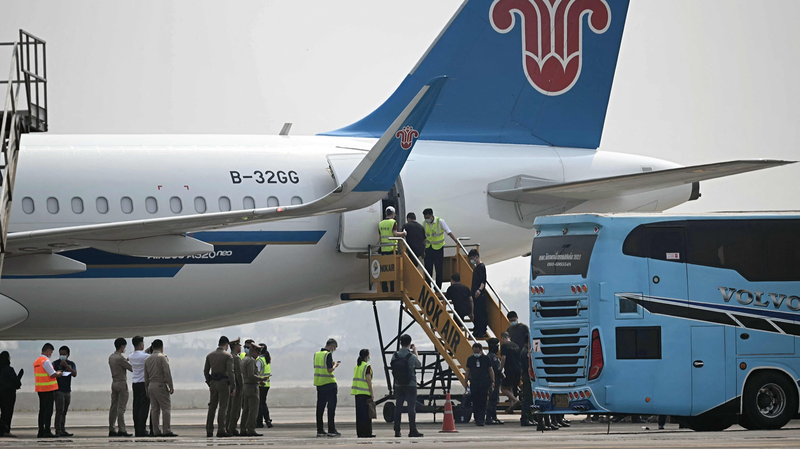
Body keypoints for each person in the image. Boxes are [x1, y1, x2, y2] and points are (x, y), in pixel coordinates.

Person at [391, 334, 423, 438]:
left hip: (398, 384)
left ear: (400, 343)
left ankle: (397, 431)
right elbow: (419, 364)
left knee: (398, 407)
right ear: (410, 343)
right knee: (411, 408)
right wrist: (415, 352)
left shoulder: (395, 355)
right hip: (411, 385)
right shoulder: (411, 356)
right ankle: (412, 430)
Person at [144, 339, 177, 437]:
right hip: (160, 385)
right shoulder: (162, 358)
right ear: (161, 347)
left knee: (155, 409)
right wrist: (171, 386)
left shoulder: (147, 359)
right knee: (166, 408)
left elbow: (146, 375)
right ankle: (166, 430)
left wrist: (146, 388)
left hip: (151, 385)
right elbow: (167, 372)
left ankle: (156, 431)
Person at [204, 336, 234, 438]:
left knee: (212, 406)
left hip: (213, 383)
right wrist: (233, 386)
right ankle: (221, 429)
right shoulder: (228, 356)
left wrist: (209, 382)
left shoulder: (210, 355)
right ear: (226, 345)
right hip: (224, 383)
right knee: (223, 407)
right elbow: (231, 372)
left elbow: (205, 371)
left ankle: (209, 430)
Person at [422, 208, 458, 288]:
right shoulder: (424, 223)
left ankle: (438, 287)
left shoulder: (440, 221)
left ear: (432, 215)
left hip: (438, 248)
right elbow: (423, 237)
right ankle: (428, 286)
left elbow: (448, 231)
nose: (426, 219)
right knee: (428, 268)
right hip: (428, 248)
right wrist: (423, 250)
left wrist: (456, 240)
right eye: (425, 218)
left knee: (438, 268)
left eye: (428, 217)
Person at [34, 343, 63, 438]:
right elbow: (52, 374)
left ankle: (41, 431)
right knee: (48, 411)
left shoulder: (37, 361)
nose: (51, 354)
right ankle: (47, 430)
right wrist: (59, 373)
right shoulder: (45, 361)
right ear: (48, 351)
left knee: (42, 411)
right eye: (51, 352)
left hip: (40, 389)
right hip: (48, 389)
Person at [314, 338, 340, 437]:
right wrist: (335, 366)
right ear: (331, 346)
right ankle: (331, 429)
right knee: (331, 408)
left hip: (320, 384)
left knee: (320, 408)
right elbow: (329, 370)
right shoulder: (328, 354)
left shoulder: (316, 354)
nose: (334, 350)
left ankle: (320, 430)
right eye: (334, 348)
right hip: (329, 384)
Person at [108, 337, 132, 437]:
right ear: (122, 347)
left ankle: (112, 428)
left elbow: (122, 362)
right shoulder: (120, 358)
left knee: (113, 407)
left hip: (114, 383)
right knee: (121, 408)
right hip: (122, 383)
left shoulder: (111, 357)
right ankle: (122, 429)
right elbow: (131, 368)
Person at [466, 343, 494, 426]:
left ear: (481, 350)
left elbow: (490, 370)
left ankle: (481, 419)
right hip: (474, 382)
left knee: (483, 401)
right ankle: (477, 418)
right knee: (475, 401)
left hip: (484, 382)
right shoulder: (470, 359)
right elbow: (468, 370)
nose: (476, 353)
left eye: (477, 352)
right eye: (474, 352)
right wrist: (466, 381)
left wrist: (493, 381)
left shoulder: (486, 358)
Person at [240, 345, 265, 437]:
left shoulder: (244, 359)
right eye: (257, 353)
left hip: (246, 386)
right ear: (253, 351)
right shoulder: (251, 361)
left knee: (246, 410)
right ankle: (251, 429)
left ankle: (243, 429)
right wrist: (261, 379)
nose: (258, 355)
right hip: (252, 387)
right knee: (253, 410)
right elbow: (251, 375)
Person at [52, 346, 77, 437]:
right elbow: (51, 374)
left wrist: (66, 366)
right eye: (61, 354)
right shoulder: (55, 363)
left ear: (68, 355)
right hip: (58, 390)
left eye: (64, 354)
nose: (62, 356)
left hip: (67, 390)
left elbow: (74, 374)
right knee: (60, 410)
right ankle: (58, 429)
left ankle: (62, 428)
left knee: (64, 411)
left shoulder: (71, 364)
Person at [129, 336, 150, 437]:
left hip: (135, 382)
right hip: (143, 383)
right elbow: (149, 358)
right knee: (144, 406)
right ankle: (142, 429)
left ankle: (137, 429)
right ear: (141, 344)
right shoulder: (145, 356)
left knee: (136, 406)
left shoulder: (131, 356)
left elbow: (138, 355)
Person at [351, 349, 375, 438]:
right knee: (366, 414)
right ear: (367, 356)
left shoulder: (357, 366)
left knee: (359, 414)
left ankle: (360, 432)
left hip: (357, 393)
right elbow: (368, 380)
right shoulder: (367, 366)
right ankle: (367, 432)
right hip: (365, 393)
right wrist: (372, 393)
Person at [0, 351, 23, 438]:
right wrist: (19, 378)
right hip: (8, 394)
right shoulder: (9, 369)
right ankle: (6, 430)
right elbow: (16, 381)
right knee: (7, 413)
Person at [499, 332, 522, 413]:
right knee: (510, 388)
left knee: (503, 388)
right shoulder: (516, 346)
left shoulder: (504, 345)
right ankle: (511, 407)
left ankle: (516, 400)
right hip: (518, 370)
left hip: (510, 369)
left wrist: (500, 369)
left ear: (503, 338)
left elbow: (503, 358)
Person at [469, 249, 489, 338]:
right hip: (475, 294)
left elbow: (483, 281)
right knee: (476, 312)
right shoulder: (477, 267)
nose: (471, 260)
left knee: (481, 312)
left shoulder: (481, 267)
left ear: (477, 257)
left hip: (479, 294)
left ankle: (481, 331)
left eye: (472, 258)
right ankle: (477, 330)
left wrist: (479, 290)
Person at [226, 338, 244, 436]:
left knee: (229, 408)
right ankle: (232, 428)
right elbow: (238, 373)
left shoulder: (228, 356)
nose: (240, 348)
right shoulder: (236, 358)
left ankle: (228, 426)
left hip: (229, 385)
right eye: (239, 346)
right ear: (236, 347)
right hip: (236, 386)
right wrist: (241, 385)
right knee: (235, 408)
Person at [484, 338, 503, 425]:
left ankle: (493, 417)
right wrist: (502, 375)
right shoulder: (493, 357)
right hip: (494, 380)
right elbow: (496, 370)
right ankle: (489, 418)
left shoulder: (488, 356)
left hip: (491, 380)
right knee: (493, 399)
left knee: (494, 399)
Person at [256, 344, 272, 429]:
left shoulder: (259, 360)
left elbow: (257, 372)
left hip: (260, 384)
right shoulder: (267, 359)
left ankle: (259, 422)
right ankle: (267, 420)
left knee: (260, 403)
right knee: (263, 403)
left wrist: (259, 380)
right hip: (266, 384)